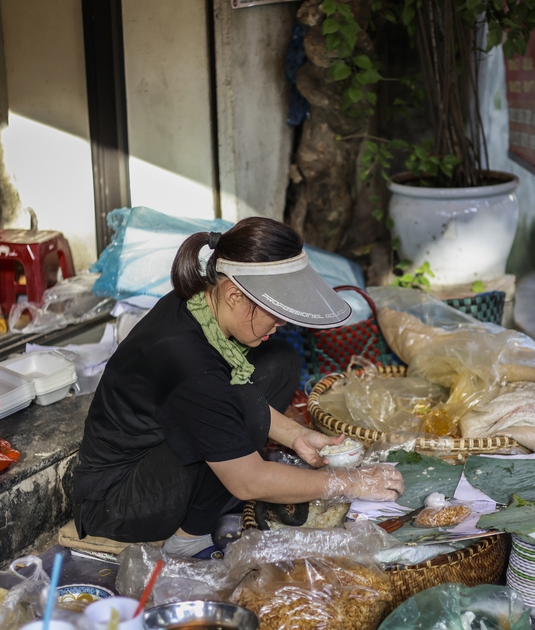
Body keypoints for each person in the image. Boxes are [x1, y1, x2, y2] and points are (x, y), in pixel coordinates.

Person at [72, 217, 404, 559]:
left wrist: (295, 435)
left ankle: (213, 489)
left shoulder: (199, 301)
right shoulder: (187, 361)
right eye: (274, 312)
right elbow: (250, 480)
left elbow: (230, 389)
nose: (282, 322)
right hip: (117, 501)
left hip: (157, 453)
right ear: (234, 294)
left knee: (280, 362)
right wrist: (352, 483)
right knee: (237, 424)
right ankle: (190, 535)